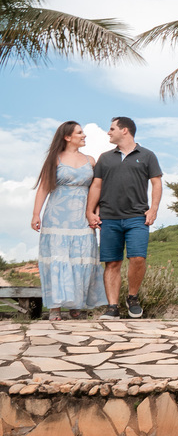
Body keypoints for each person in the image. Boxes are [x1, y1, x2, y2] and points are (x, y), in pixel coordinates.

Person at [86, 117, 162, 319]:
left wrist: (153, 209)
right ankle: (112, 307)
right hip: (109, 218)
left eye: (112, 129)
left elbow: (156, 183)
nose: (108, 132)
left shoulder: (147, 155)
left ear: (125, 130)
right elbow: (96, 185)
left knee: (138, 258)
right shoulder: (105, 158)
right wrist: (90, 211)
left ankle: (132, 297)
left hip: (137, 217)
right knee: (112, 263)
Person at [31, 121, 107, 320]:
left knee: (81, 258)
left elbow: (97, 189)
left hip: (82, 216)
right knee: (58, 259)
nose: (84, 135)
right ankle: (55, 307)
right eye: (79, 133)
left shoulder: (91, 160)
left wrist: (96, 212)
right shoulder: (55, 159)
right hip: (57, 217)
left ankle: (76, 305)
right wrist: (36, 214)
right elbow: (43, 188)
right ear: (67, 137)